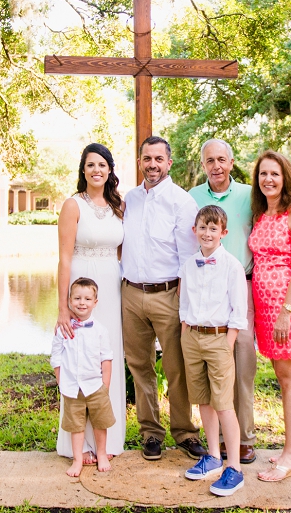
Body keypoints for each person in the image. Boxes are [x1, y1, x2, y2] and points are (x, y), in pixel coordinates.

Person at [121, 136, 207, 461]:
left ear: (169, 162)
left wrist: (186, 306)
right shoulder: (129, 199)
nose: (152, 164)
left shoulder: (181, 202)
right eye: (147, 158)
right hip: (130, 294)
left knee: (176, 367)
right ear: (140, 161)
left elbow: (189, 259)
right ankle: (151, 433)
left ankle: (185, 433)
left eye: (159, 158)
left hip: (168, 294)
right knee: (140, 366)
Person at [189, 138, 257, 465]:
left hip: (241, 285)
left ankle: (243, 439)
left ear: (231, 162)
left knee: (241, 363)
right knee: (208, 373)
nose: (216, 166)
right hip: (204, 293)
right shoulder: (193, 197)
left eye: (221, 160)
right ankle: (214, 446)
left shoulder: (248, 194)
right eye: (209, 161)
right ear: (203, 165)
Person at [55, 143, 125, 462]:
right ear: (83, 170)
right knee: (78, 359)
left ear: (110, 170)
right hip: (80, 284)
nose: (96, 170)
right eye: (90, 165)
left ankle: (107, 442)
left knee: (106, 356)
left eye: (102, 165)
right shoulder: (73, 205)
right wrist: (62, 307)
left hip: (111, 286)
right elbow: (64, 259)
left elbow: (123, 252)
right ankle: (79, 444)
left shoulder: (118, 205)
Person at [248, 150, 291, 483]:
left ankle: (290, 457)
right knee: (281, 373)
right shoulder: (262, 213)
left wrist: (286, 312)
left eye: (274, 174)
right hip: (265, 305)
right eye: (263, 174)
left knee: (290, 377)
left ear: (285, 176)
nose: (268, 180)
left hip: (287, 304)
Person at [179, 205, 248, 496]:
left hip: (220, 338)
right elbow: (184, 301)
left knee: (223, 403)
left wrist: (228, 342)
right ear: (195, 231)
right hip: (191, 337)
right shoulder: (188, 263)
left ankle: (235, 468)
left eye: (213, 228)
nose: (207, 233)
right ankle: (213, 457)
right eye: (202, 228)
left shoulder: (232, 265)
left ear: (223, 232)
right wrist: (185, 331)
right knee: (203, 400)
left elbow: (239, 310)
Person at [50, 278, 115, 477]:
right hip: (71, 388)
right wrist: (62, 382)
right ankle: (77, 458)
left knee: (100, 422)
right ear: (69, 300)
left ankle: (101, 454)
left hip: (95, 386)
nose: (82, 302)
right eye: (77, 298)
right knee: (75, 425)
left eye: (87, 298)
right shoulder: (63, 329)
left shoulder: (100, 331)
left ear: (95, 302)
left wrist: (105, 385)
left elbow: (106, 359)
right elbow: (56, 357)